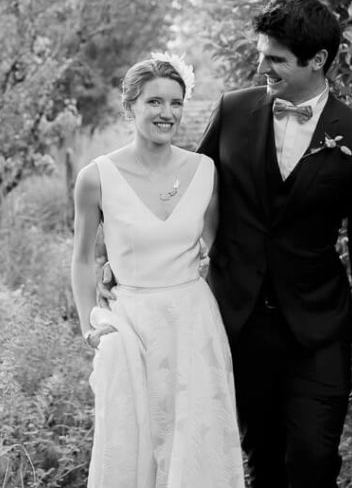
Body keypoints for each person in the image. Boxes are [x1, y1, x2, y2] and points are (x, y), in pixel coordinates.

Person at [197, 0, 352, 487]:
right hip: (238, 322)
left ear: (318, 61)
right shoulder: (233, 111)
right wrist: (127, 255)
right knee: (263, 461)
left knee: (314, 461)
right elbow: (189, 196)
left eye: (276, 59)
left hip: (317, 327)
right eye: (262, 53)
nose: (262, 66)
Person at [69, 54, 246, 488]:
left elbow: (211, 242)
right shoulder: (96, 178)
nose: (166, 114)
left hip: (192, 325)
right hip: (131, 326)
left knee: (197, 441)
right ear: (129, 107)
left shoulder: (205, 171)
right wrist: (88, 324)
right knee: (132, 445)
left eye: (176, 103)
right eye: (154, 102)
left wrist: (186, 266)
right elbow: (81, 257)